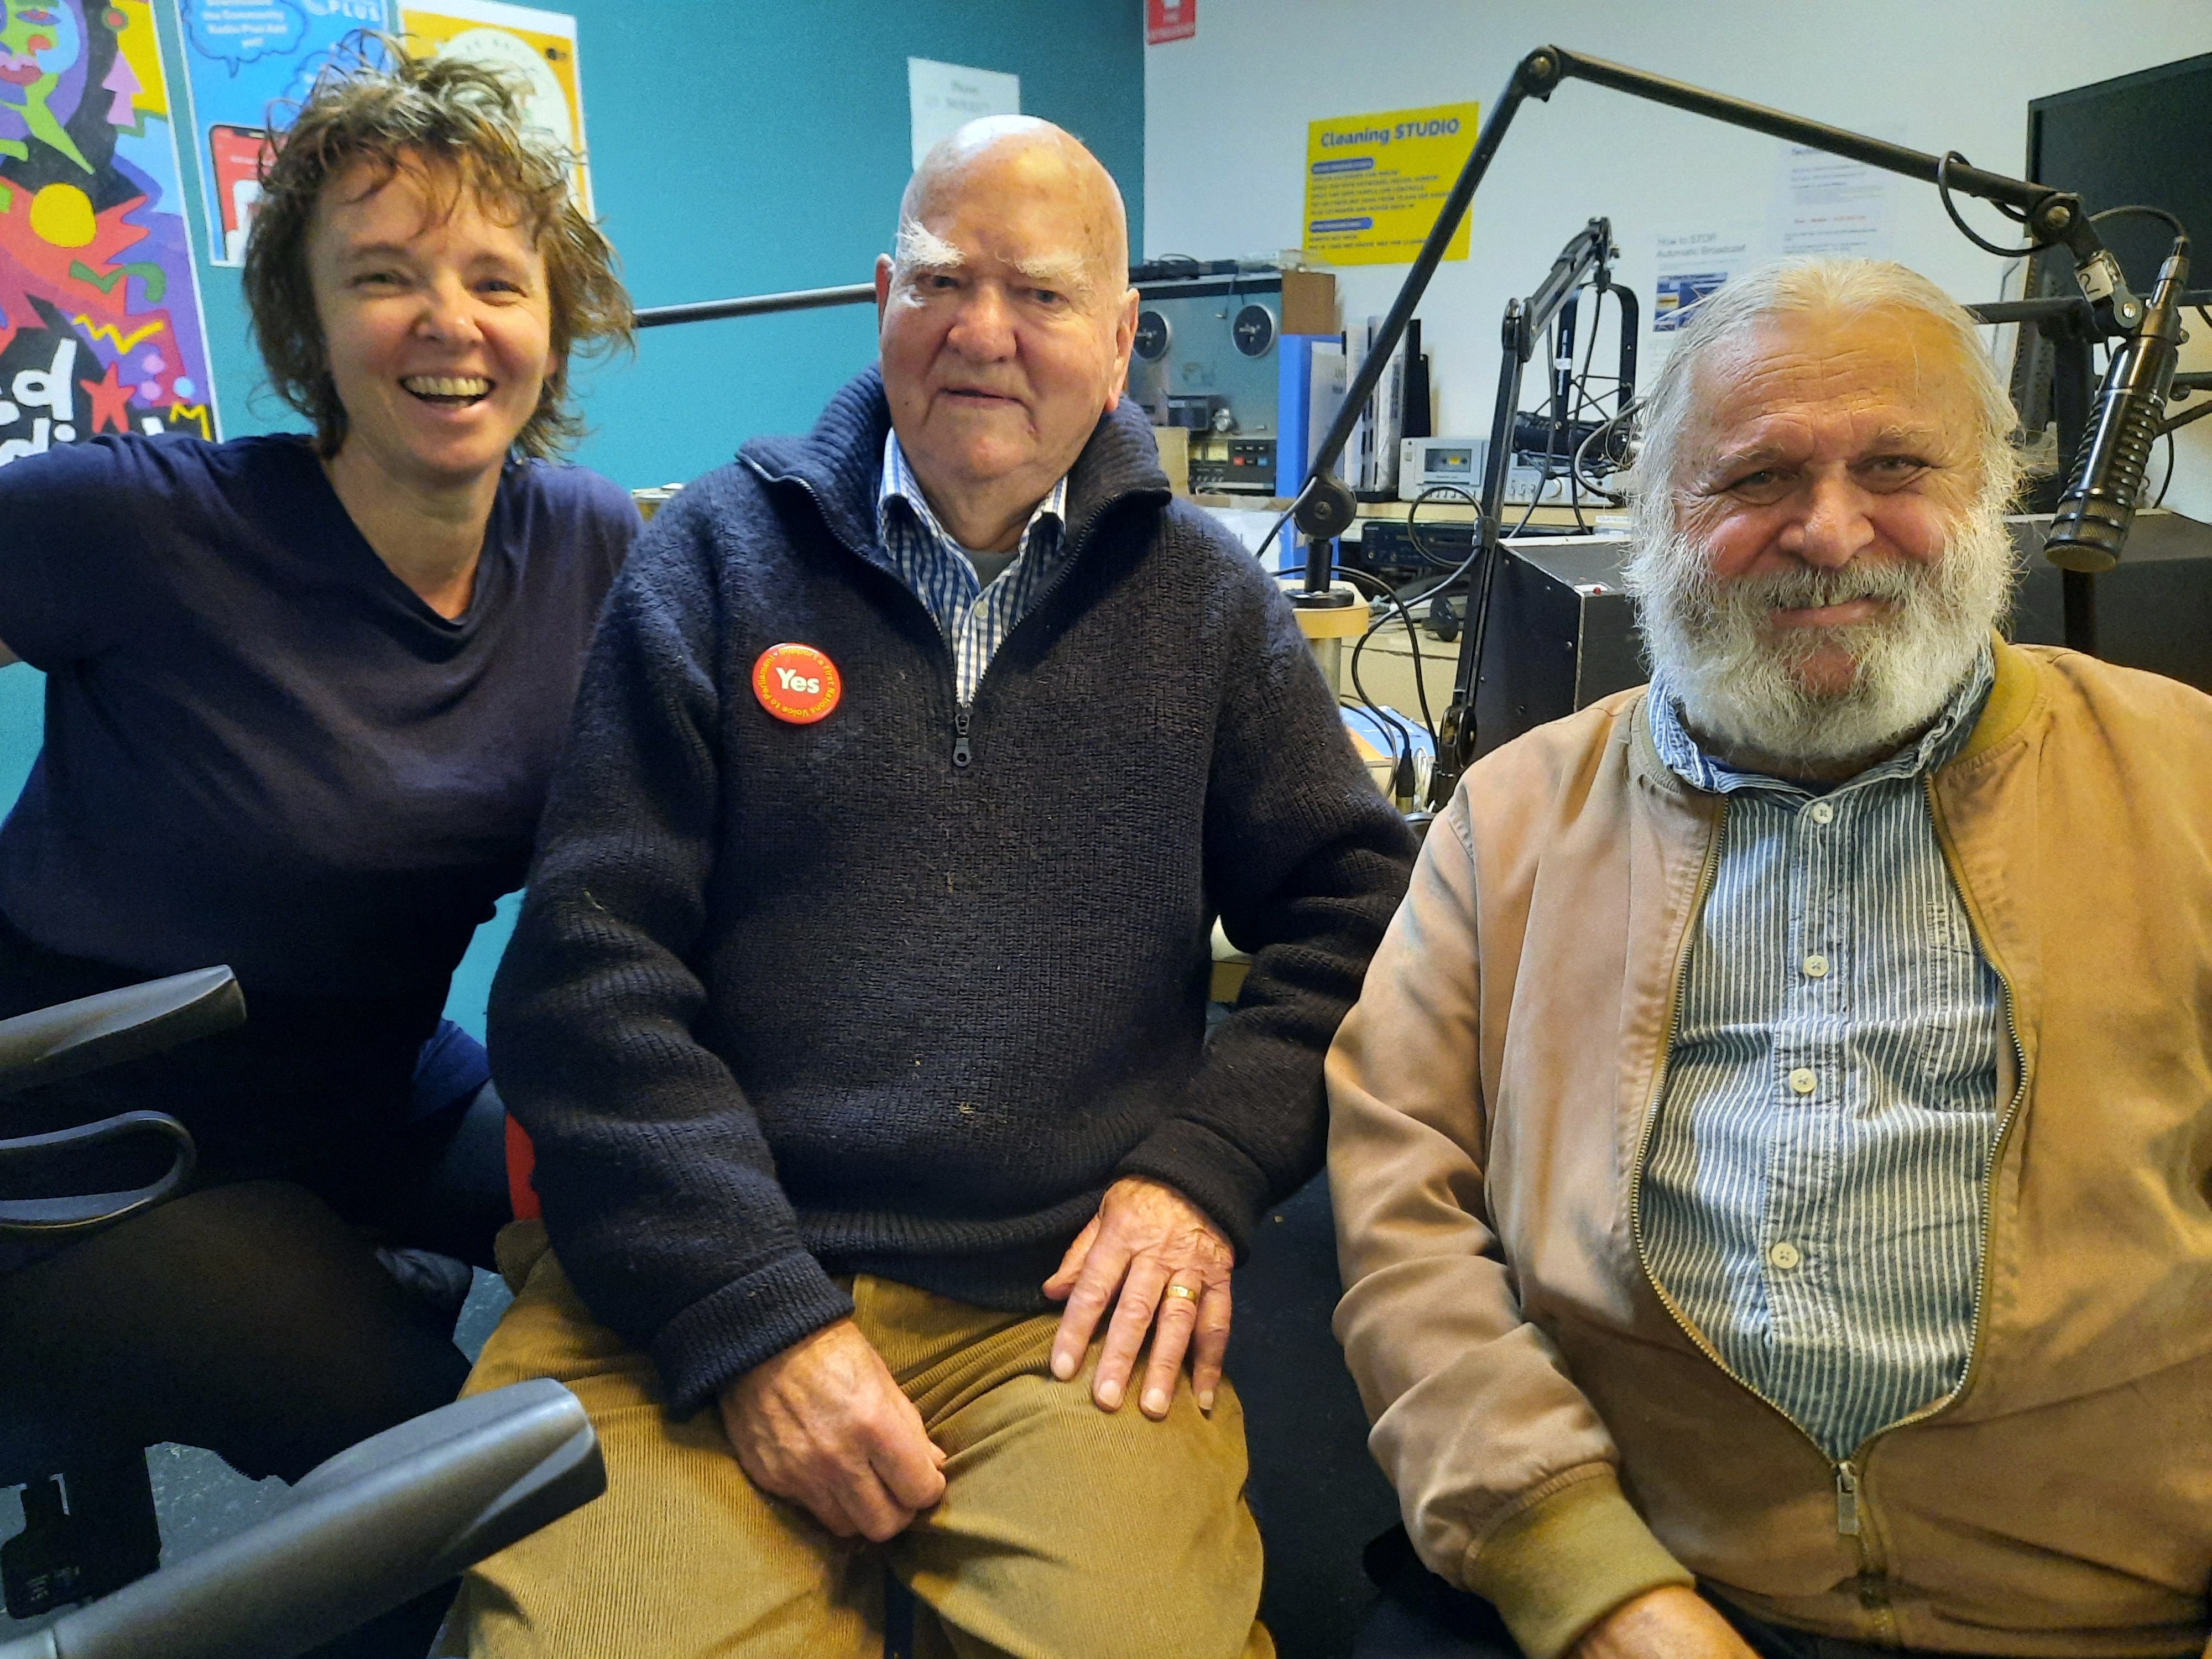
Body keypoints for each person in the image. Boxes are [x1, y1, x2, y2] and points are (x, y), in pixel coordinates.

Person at [446, 115, 1415, 1658]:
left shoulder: (1209, 605)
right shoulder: (708, 558)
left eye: (1037, 295)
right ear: (882, 295)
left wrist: (1203, 1174)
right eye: (945, 282)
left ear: (1117, 342)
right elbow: (588, 978)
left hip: (1062, 1299)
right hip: (699, 1272)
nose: (983, 334)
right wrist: (755, 1318)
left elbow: (1361, 918)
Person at [1326, 257, 2212, 1659]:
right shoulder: (1509, 822)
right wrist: (1594, 1582)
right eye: (1753, 480)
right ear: (1655, 516)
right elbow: (1403, 1227)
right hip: (1629, 1573)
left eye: (1897, 465)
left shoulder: (2188, 787)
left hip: (2089, 1607)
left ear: (1993, 496)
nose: (1828, 529)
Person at [0, 44, 634, 1655]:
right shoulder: (141, 525)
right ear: (311, 319)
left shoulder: (590, 547)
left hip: (374, 1073)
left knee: (648, 1226)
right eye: (386, 275)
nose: (448, 320)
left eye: (497, 278)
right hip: (91, 1125)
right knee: (435, 1448)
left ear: (551, 320)